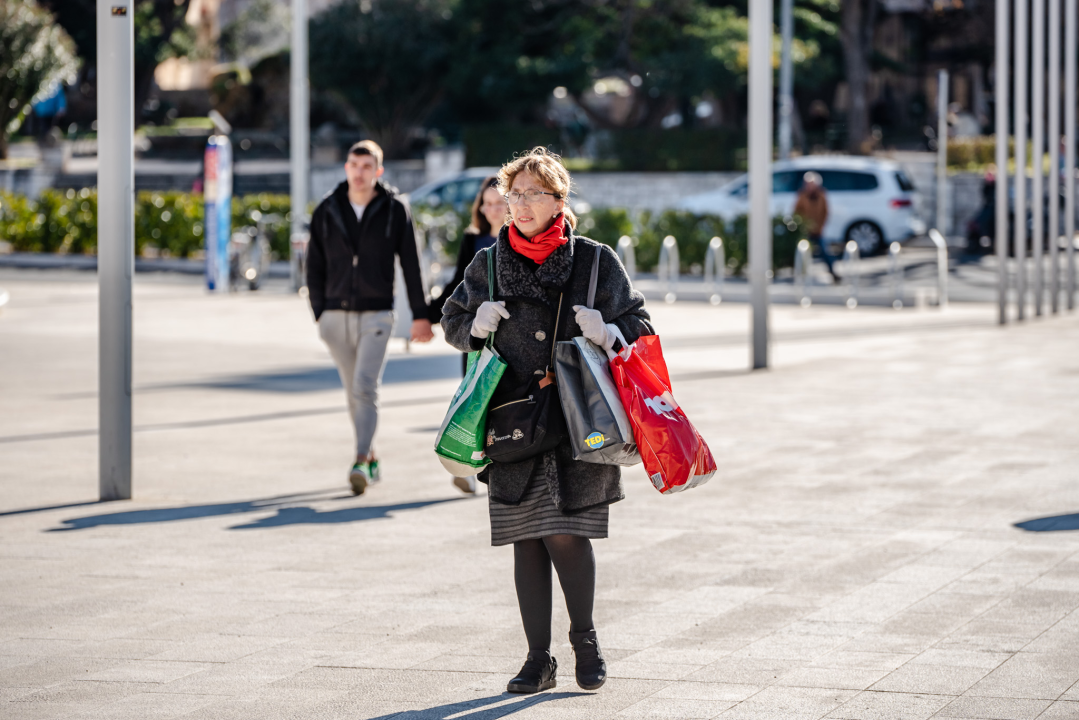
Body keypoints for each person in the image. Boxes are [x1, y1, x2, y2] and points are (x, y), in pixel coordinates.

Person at [441, 147, 653, 694]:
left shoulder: (594, 260)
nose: (522, 204)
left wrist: (608, 330)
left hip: (579, 420)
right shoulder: (488, 262)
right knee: (525, 540)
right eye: (515, 195)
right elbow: (453, 319)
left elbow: (641, 325)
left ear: (559, 199)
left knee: (565, 532)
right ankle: (538, 659)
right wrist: (476, 325)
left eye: (535, 193)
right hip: (512, 420)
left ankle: (585, 640)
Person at [306, 140, 434, 496]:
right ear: (346, 168)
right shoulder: (328, 209)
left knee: (364, 387)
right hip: (334, 315)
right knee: (354, 392)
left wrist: (420, 317)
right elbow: (313, 265)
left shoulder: (394, 210)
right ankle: (372, 455)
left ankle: (360, 458)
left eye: (366, 166)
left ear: (378, 171)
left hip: (377, 314)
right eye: (353, 165)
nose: (359, 172)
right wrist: (319, 312)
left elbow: (411, 264)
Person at [433, 176, 507, 496]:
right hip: (476, 336)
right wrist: (428, 312)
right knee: (475, 398)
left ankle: (497, 463)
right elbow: (457, 288)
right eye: (486, 203)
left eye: (498, 203)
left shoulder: (518, 241)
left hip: (507, 335)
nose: (491, 209)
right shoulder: (473, 239)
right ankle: (468, 461)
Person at [793, 171, 839, 282]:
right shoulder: (802, 195)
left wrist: (820, 226)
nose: (808, 186)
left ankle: (833, 273)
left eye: (811, 184)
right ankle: (799, 275)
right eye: (807, 184)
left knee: (824, 252)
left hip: (818, 229)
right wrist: (800, 225)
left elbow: (825, 212)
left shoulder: (821, 195)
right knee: (800, 252)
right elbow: (797, 211)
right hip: (805, 229)